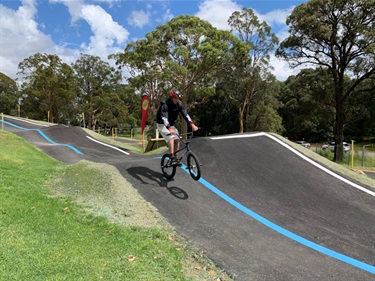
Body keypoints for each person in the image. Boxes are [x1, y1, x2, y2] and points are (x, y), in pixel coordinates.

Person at [156, 89, 198, 163]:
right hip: (162, 124)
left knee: (177, 139)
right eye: (175, 98)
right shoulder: (165, 105)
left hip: (170, 125)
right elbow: (164, 119)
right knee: (171, 138)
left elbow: (186, 115)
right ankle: (171, 155)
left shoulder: (179, 105)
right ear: (171, 97)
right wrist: (170, 129)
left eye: (177, 98)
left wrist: (192, 125)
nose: (176, 100)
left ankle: (176, 157)